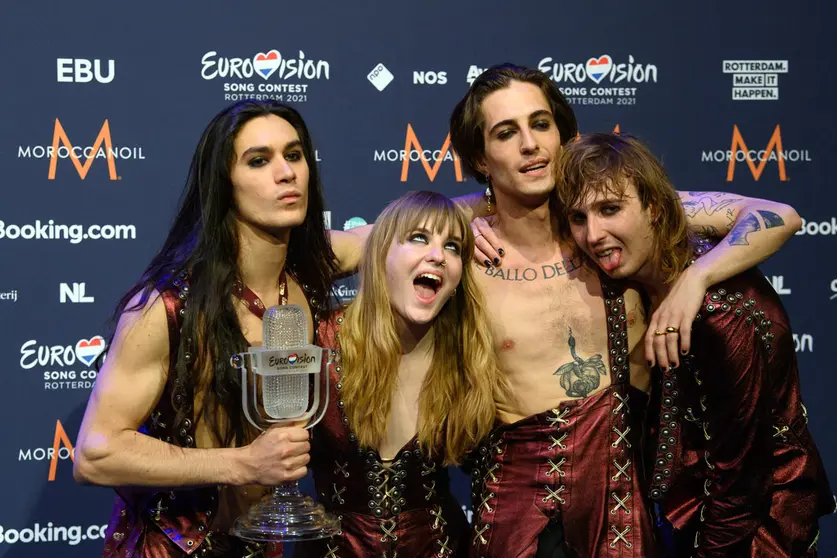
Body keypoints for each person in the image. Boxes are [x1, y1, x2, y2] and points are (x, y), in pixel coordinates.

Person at [447, 64, 804, 557]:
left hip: (631, 517)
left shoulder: (620, 218)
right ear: (480, 158)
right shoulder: (455, 245)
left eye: (541, 124)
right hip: (515, 521)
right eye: (506, 133)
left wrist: (695, 278)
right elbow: (366, 244)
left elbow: (779, 216)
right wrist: (459, 215)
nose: (530, 144)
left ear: (565, 135)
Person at [73, 100, 366, 557]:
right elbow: (96, 453)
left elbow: (400, 232)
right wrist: (245, 463)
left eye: (294, 155)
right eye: (259, 160)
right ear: (224, 185)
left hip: (259, 543)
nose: (286, 172)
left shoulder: (309, 271)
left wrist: (494, 203)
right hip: (172, 546)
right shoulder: (165, 307)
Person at [555, 132, 834, 557]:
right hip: (681, 518)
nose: (593, 234)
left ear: (654, 206)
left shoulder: (718, 315)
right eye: (579, 218)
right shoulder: (635, 277)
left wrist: (697, 279)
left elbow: (741, 486)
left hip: (751, 538)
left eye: (610, 209)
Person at [297, 191, 501, 558]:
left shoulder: (470, 357)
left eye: (453, 246)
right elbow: (288, 253)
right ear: (377, 256)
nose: (438, 255)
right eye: (418, 238)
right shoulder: (321, 341)